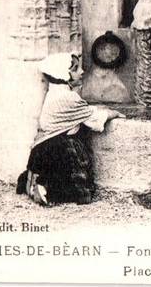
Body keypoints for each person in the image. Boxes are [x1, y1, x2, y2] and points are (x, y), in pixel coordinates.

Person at [17, 52, 125, 206]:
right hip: (57, 148)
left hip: (41, 149)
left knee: (51, 172)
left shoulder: (56, 92)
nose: (81, 72)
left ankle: (36, 183)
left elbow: (81, 109)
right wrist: (111, 113)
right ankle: (44, 188)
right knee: (73, 176)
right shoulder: (68, 97)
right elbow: (93, 119)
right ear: (63, 74)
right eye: (75, 69)